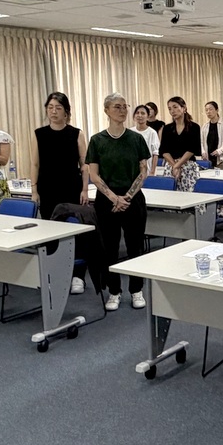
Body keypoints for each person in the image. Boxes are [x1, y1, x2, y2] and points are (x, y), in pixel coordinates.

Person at [87, 93, 151, 310]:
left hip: (133, 199)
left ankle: (136, 290)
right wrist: (114, 198)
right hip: (107, 200)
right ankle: (113, 291)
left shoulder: (136, 139)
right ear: (106, 110)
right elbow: (94, 175)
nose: (122, 110)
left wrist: (128, 197)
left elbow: (144, 170)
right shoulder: (97, 140)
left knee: (135, 246)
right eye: (117, 107)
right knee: (110, 248)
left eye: (125, 107)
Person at [31, 92, 90, 220]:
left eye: (58, 108)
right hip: (47, 188)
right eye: (50, 107)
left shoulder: (76, 134)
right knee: (49, 227)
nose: (53, 111)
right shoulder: (39, 134)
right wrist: (34, 191)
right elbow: (35, 164)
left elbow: (84, 165)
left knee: (71, 226)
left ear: (66, 111)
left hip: (71, 188)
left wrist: (85, 190)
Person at [160, 96, 203, 192]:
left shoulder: (194, 127)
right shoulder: (167, 128)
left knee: (191, 197)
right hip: (171, 166)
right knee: (170, 197)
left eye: (175, 107)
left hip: (188, 166)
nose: (172, 111)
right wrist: (174, 165)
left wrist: (177, 165)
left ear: (184, 108)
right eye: (170, 108)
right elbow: (164, 150)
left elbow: (192, 149)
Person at [130, 104, 160, 176]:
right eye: (137, 113)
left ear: (147, 116)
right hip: (132, 171)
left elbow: (155, 154)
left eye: (143, 113)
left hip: (147, 170)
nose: (139, 115)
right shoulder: (130, 132)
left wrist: (152, 172)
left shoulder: (152, 132)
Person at [201, 101, 223, 170]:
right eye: (206, 110)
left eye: (211, 109)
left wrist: (219, 151)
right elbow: (201, 142)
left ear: (217, 110)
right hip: (208, 159)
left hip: (222, 159)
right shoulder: (205, 126)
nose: (208, 112)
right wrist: (203, 152)